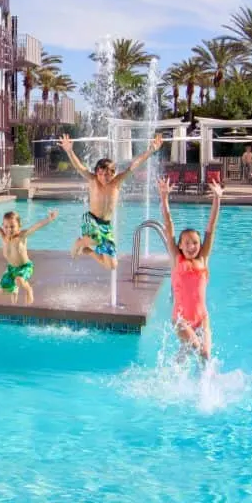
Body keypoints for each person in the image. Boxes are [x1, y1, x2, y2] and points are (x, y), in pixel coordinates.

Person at [59, 133, 163, 269]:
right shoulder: (92, 180)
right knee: (95, 239)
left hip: (106, 226)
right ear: (96, 172)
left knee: (111, 265)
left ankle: (88, 251)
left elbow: (134, 165)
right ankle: (79, 242)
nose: (104, 177)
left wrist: (151, 150)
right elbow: (79, 167)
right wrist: (69, 151)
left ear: (114, 173)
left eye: (108, 174)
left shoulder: (117, 182)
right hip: (91, 220)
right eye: (101, 174)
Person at [158, 176, 223, 362]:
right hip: (181, 319)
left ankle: (194, 381)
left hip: (202, 318)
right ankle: (177, 369)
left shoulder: (203, 259)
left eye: (195, 242)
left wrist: (217, 198)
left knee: (206, 355)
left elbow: (211, 228)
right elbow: (169, 226)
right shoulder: (176, 259)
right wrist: (164, 198)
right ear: (180, 245)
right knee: (195, 346)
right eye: (187, 243)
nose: (192, 246)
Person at [0, 206, 59, 305]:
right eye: (6, 226)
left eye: (12, 226)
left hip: (25, 267)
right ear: (2, 225)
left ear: (19, 226)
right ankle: (14, 289)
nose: (9, 229)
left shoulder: (21, 236)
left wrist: (49, 219)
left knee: (19, 279)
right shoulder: (2, 235)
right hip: (11, 268)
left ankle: (29, 289)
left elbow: (35, 227)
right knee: (1, 290)